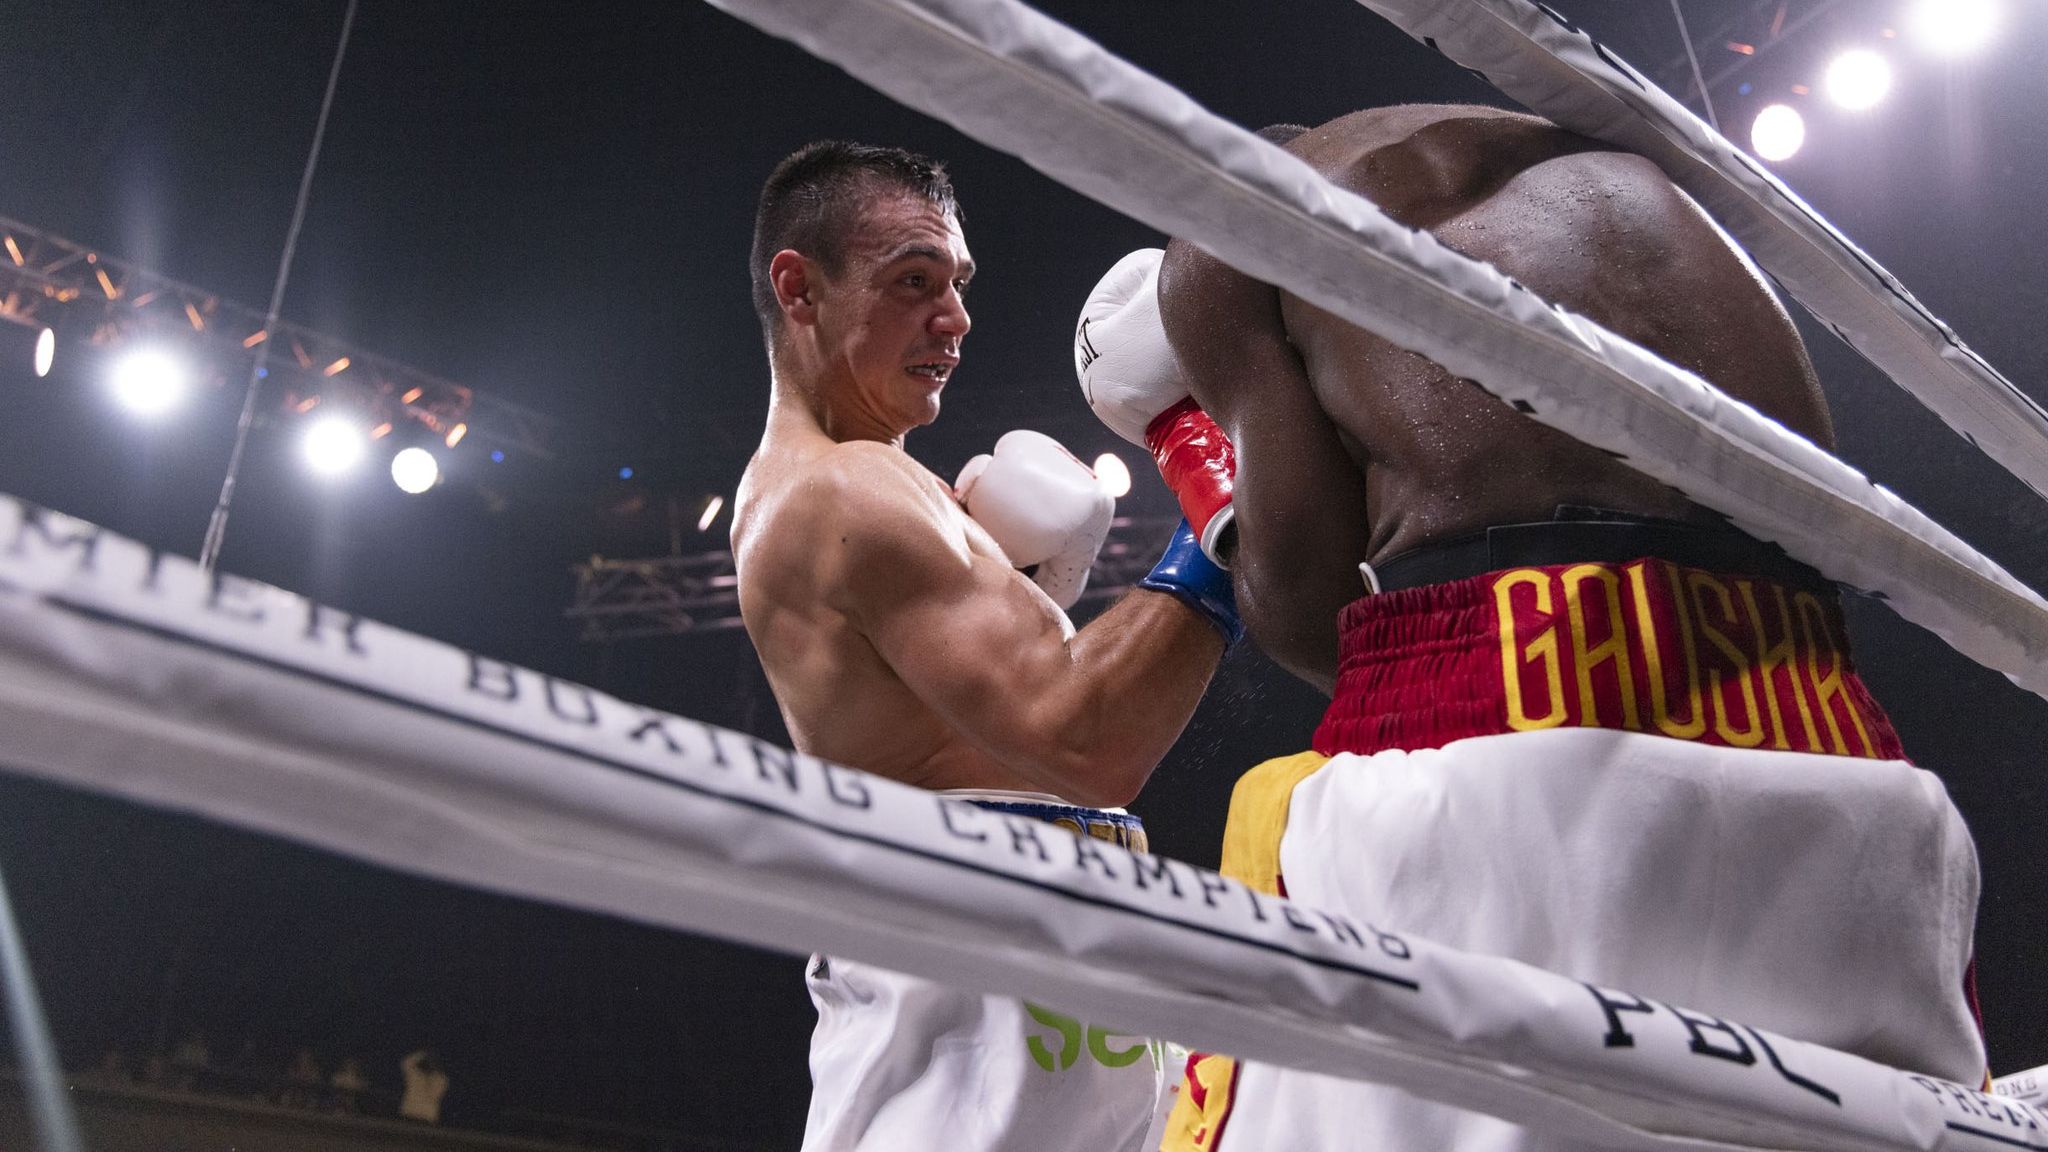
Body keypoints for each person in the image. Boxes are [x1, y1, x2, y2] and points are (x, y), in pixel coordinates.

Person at [1074, 107, 1985, 1150]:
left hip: (1510, 703)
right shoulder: (1575, 139)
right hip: (1816, 713)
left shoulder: (1226, 224)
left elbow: (1307, 611)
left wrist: (1188, 453)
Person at [732, 140, 1241, 1152]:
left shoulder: (888, 487)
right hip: (971, 1045)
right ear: (799, 288)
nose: (953, 319)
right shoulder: (841, 493)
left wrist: (1045, 598)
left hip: (1046, 998)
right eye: (912, 282)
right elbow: (1086, 742)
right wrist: (1224, 510)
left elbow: (1003, 729)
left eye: (957, 284)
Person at [399, 1048, 448, 1124]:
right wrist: (423, 1054)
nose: (430, 1064)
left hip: (426, 1117)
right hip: (410, 1114)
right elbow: (406, 1063)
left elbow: (406, 1063)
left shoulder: (439, 1080)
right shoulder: (415, 1075)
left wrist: (422, 1055)